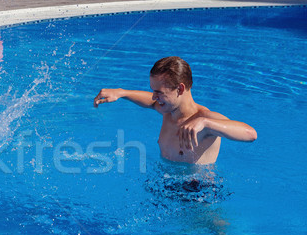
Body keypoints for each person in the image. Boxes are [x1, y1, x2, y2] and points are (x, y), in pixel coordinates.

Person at [93, 56, 257, 164]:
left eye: (159, 93)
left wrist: (206, 123)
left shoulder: (205, 119)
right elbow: (149, 102)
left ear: (180, 89)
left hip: (197, 195)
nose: (154, 97)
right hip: (166, 187)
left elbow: (250, 134)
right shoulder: (167, 111)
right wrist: (122, 93)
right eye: (153, 91)